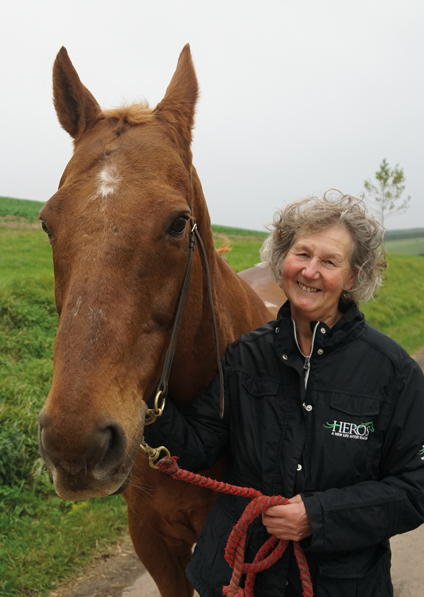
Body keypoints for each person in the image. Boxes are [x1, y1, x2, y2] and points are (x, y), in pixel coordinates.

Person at [144, 191, 424, 596]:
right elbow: (198, 446)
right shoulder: (244, 357)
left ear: (352, 278)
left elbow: (415, 486)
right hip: (243, 580)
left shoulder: (392, 372)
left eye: (329, 261)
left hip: (340, 584)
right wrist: (147, 402)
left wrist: (318, 515)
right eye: (302, 254)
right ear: (282, 259)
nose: (310, 271)